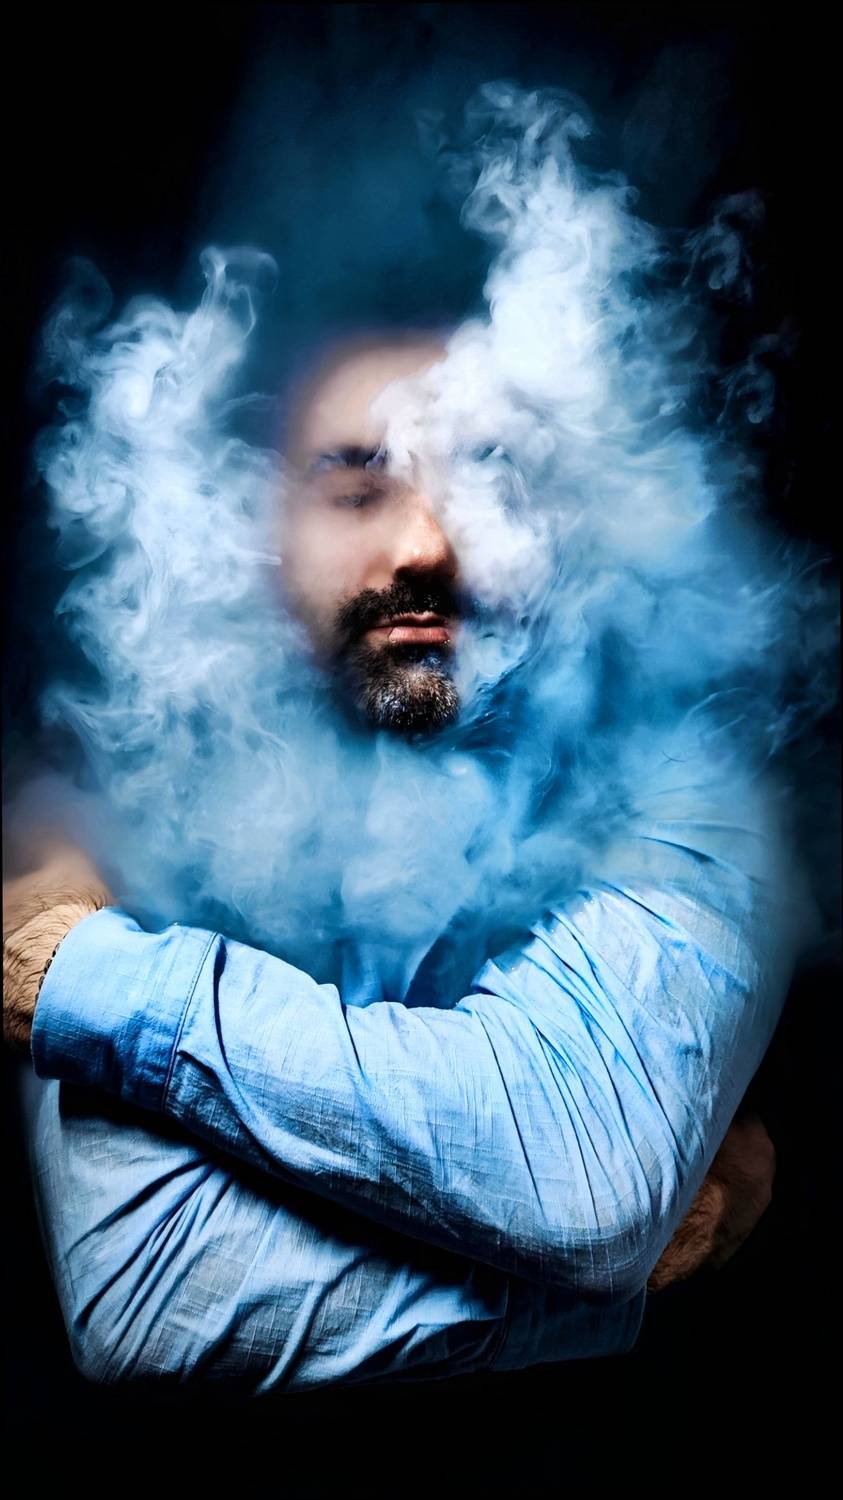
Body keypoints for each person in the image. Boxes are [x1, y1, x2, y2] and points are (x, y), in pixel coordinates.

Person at [3, 331, 796, 1393]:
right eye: (358, 490)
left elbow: (579, 1178)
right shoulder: (124, 779)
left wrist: (92, 979)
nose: (427, 543)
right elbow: (142, 1293)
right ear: (258, 527)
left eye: (486, 481)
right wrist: (603, 1278)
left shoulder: (693, 778)